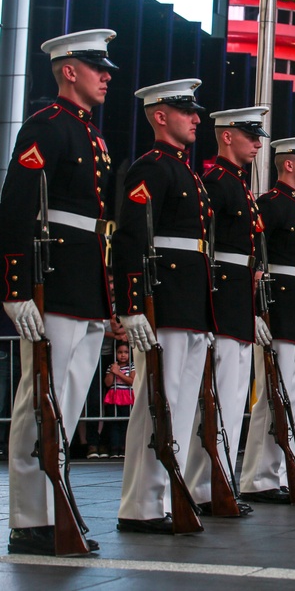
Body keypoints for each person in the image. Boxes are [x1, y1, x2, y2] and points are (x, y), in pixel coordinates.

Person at [1, 29, 117, 555]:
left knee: (66, 403)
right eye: (97, 67)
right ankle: (30, 517)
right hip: (52, 281)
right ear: (69, 70)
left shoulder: (93, 136)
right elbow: (17, 208)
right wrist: (15, 286)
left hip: (84, 281)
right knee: (38, 400)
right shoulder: (45, 127)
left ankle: (55, 504)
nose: (106, 75)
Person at [114, 79, 216, 533]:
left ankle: (162, 498)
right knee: (156, 403)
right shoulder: (152, 168)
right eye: (186, 111)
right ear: (160, 116)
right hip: (166, 303)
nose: (196, 119)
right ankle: (141, 504)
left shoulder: (184, 171)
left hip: (189, 303)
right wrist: (132, 305)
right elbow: (132, 238)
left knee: (178, 404)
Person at [188, 106, 270, 516]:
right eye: (250, 135)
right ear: (226, 136)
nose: (257, 143)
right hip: (221, 300)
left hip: (238, 302)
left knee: (234, 398)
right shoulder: (215, 183)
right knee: (216, 398)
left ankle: (217, 482)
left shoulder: (239, 185)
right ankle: (203, 485)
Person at [241, 137, 295, 504]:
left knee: (292, 397)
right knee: (271, 397)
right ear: (289, 164)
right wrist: (254, 309)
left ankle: (278, 471)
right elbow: (255, 258)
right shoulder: (271, 205)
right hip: (276, 308)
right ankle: (258, 477)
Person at [103, 342, 134, 459]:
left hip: (126, 396)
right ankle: (114, 449)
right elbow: (107, 383)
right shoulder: (112, 367)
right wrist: (113, 371)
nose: (123, 355)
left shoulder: (132, 366)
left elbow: (131, 381)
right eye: (120, 352)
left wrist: (118, 373)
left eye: (125, 352)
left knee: (126, 423)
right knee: (114, 424)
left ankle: (124, 448)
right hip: (114, 397)